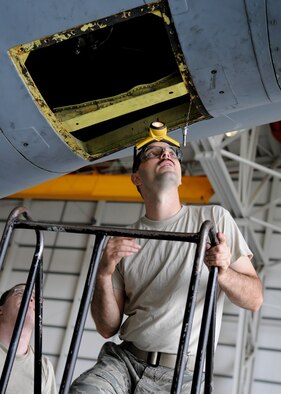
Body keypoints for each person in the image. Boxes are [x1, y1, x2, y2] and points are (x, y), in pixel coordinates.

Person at [70, 121, 263, 393]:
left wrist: (224, 272)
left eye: (172, 154)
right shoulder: (123, 242)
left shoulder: (213, 220)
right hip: (125, 361)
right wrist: (103, 274)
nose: (166, 155)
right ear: (136, 177)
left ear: (181, 176)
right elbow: (107, 327)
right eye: (154, 153)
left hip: (183, 374)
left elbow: (255, 299)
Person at [0, 283, 57, 394]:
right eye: (21, 292)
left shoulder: (44, 367)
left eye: (36, 298)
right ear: (1, 310)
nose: (31, 299)